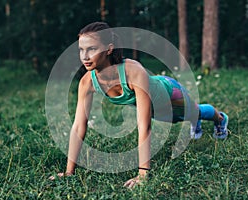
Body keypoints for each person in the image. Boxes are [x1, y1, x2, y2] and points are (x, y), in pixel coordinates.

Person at [49, 22, 229, 188]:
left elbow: (144, 126)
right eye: (81, 50)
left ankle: (220, 119)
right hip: (155, 110)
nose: (85, 56)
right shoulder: (86, 82)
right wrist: (69, 172)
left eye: (92, 49)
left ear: (109, 49)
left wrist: (143, 174)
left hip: (170, 93)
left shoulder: (133, 72)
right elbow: (79, 126)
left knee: (194, 111)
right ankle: (194, 121)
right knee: (176, 119)